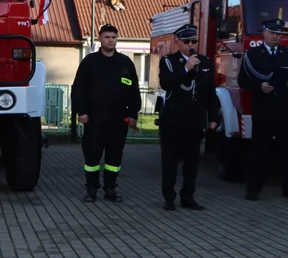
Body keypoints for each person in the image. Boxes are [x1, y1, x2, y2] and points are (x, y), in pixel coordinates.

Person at [71, 24, 142, 202]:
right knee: (92, 155)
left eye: (113, 37)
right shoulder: (90, 62)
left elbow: (134, 91)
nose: (111, 40)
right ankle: (91, 190)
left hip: (118, 119)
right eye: (107, 37)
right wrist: (81, 111)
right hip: (94, 117)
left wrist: (133, 114)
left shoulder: (125, 63)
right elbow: (78, 88)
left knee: (114, 156)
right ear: (100, 39)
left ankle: (110, 189)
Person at [237, 18, 288, 201]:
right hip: (264, 110)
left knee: (287, 153)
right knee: (260, 152)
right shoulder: (253, 55)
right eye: (273, 33)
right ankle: (253, 189)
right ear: (264, 34)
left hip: (284, 110)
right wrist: (259, 86)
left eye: (279, 34)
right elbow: (243, 80)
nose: (276, 37)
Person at [157, 24, 220, 211]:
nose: (190, 45)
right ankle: (169, 197)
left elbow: (210, 92)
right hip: (173, 120)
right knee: (170, 161)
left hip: (194, 119)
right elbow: (167, 84)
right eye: (186, 42)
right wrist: (186, 67)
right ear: (178, 42)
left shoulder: (205, 62)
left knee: (192, 162)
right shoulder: (168, 61)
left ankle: (188, 196)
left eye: (193, 41)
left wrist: (212, 117)